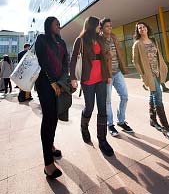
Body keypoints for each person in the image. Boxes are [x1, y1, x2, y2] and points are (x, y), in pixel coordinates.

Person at [70, 16, 114, 157]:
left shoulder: (100, 39)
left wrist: (107, 75)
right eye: (97, 25)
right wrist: (72, 78)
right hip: (88, 80)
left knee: (102, 109)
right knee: (89, 107)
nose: (99, 27)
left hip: (101, 78)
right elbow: (73, 60)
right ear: (91, 26)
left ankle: (102, 140)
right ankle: (84, 128)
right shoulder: (80, 40)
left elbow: (103, 59)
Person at [35, 16, 69, 179]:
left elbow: (65, 62)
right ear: (48, 25)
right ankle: (48, 163)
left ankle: (51, 145)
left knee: (54, 116)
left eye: (59, 24)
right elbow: (42, 61)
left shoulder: (61, 42)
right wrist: (52, 82)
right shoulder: (41, 39)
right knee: (48, 117)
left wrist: (62, 81)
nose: (59, 26)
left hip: (58, 84)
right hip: (44, 84)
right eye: (56, 24)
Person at [132, 22, 169, 141]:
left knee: (153, 93)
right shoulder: (137, 44)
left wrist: (163, 67)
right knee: (158, 95)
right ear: (138, 31)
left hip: (158, 72)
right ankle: (166, 128)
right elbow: (135, 61)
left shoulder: (153, 40)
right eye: (139, 28)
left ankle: (152, 119)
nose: (142, 29)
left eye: (143, 27)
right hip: (149, 74)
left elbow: (158, 55)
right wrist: (143, 75)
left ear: (147, 28)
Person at [100, 18, 133, 136]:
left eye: (110, 26)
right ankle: (110, 124)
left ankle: (121, 121)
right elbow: (98, 59)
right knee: (107, 101)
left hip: (117, 72)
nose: (109, 28)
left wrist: (123, 67)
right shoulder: (99, 40)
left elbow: (119, 53)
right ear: (102, 28)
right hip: (107, 75)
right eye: (107, 26)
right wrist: (106, 56)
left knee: (124, 96)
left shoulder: (114, 37)